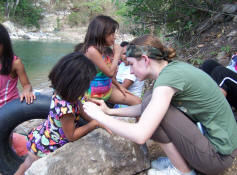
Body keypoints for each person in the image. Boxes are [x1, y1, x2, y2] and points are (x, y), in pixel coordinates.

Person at [83, 35, 237, 175]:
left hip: (216, 157)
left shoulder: (167, 82)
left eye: (131, 64)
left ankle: (183, 171)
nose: (130, 70)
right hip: (219, 147)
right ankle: (179, 161)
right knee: (150, 99)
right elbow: (145, 108)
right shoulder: (171, 70)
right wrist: (109, 111)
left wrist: (99, 116)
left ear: (145, 59)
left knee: (151, 103)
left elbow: (140, 135)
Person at [14, 52, 107, 175]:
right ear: (76, 85)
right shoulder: (66, 108)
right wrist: (94, 124)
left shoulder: (64, 92)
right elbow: (72, 136)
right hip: (47, 147)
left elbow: (82, 111)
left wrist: (100, 119)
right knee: (28, 166)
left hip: (44, 135)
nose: (87, 88)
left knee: (26, 164)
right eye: (86, 84)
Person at [82, 15, 141, 106]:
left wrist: (119, 86)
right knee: (99, 120)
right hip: (94, 94)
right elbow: (109, 73)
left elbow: (110, 76)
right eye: (112, 34)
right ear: (101, 33)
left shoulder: (104, 50)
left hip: (108, 90)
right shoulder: (92, 50)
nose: (115, 37)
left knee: (137, 101)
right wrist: (117, 54)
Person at [0, 23, 35, 108]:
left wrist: (26, 91)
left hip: (9, 109)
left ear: (4, 44)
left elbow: (27, 85)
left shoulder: (15, 63)